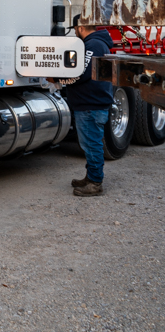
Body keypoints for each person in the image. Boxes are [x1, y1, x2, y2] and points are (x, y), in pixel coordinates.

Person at [63, 15, 114, 196]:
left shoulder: (92, 45)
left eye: (75, 28)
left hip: (91, 104)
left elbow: (82, 73)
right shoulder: (96, 44)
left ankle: (94, 183)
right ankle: (90, 176)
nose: (75, 32)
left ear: (81, 28)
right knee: (89, 144)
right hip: (91, 103)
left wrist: (59, 80)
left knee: (91, 145)